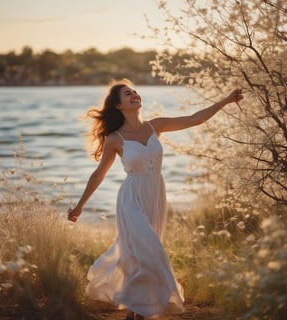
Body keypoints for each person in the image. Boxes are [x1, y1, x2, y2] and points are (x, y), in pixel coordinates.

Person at [68, 79, 243, 320]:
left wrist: (226, 100)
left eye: (135, 91)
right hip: (131, 198)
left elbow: (195, 119)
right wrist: (79, 206)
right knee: (148, 251)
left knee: (143, 256)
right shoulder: (115, 139)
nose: (134, 95)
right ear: (119, 106)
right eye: (127, 94)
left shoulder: (155, 126)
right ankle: (141, 310)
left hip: (156, 194)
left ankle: (136, 312)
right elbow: (99, 174)